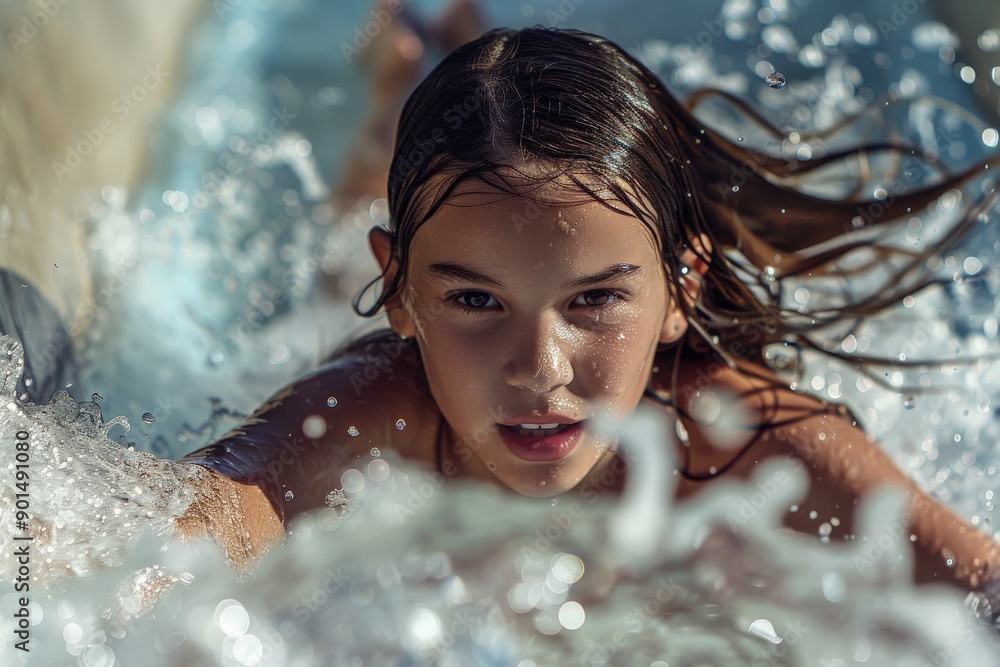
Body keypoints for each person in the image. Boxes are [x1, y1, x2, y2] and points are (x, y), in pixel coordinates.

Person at [177, 24, 1000, 597]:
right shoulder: (371, 412)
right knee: (335, 264)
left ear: (679, 290)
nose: (540, 366)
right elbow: (205, 517)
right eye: (473, 299)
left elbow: (977, 584)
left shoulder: (743, 442)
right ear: (400, 294)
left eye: (596, 299)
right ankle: (390, 101)